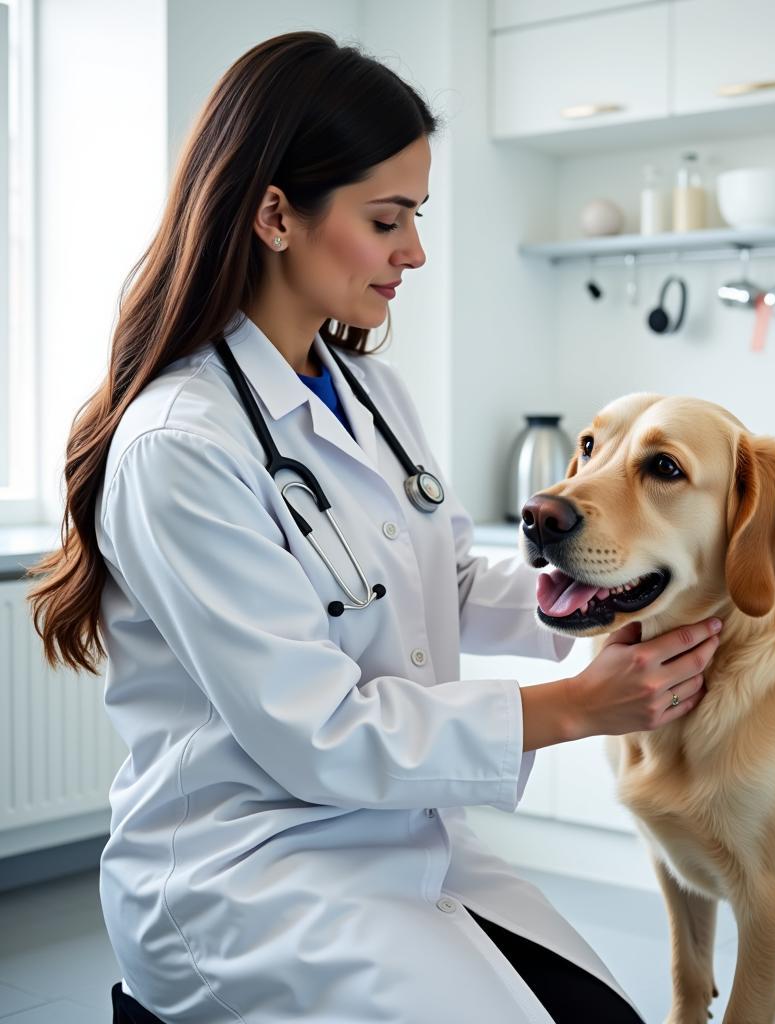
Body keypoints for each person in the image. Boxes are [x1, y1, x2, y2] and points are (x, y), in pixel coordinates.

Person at [26, 32, 720, 1024]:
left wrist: (612, 583)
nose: (415, 251)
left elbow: (440, 578)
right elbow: (317, 731)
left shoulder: (369, 389)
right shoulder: (183, 443)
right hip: (249, 879)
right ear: (275, 214)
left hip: (403, 837)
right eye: (386, 219)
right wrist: (573, 706)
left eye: (415, 217)